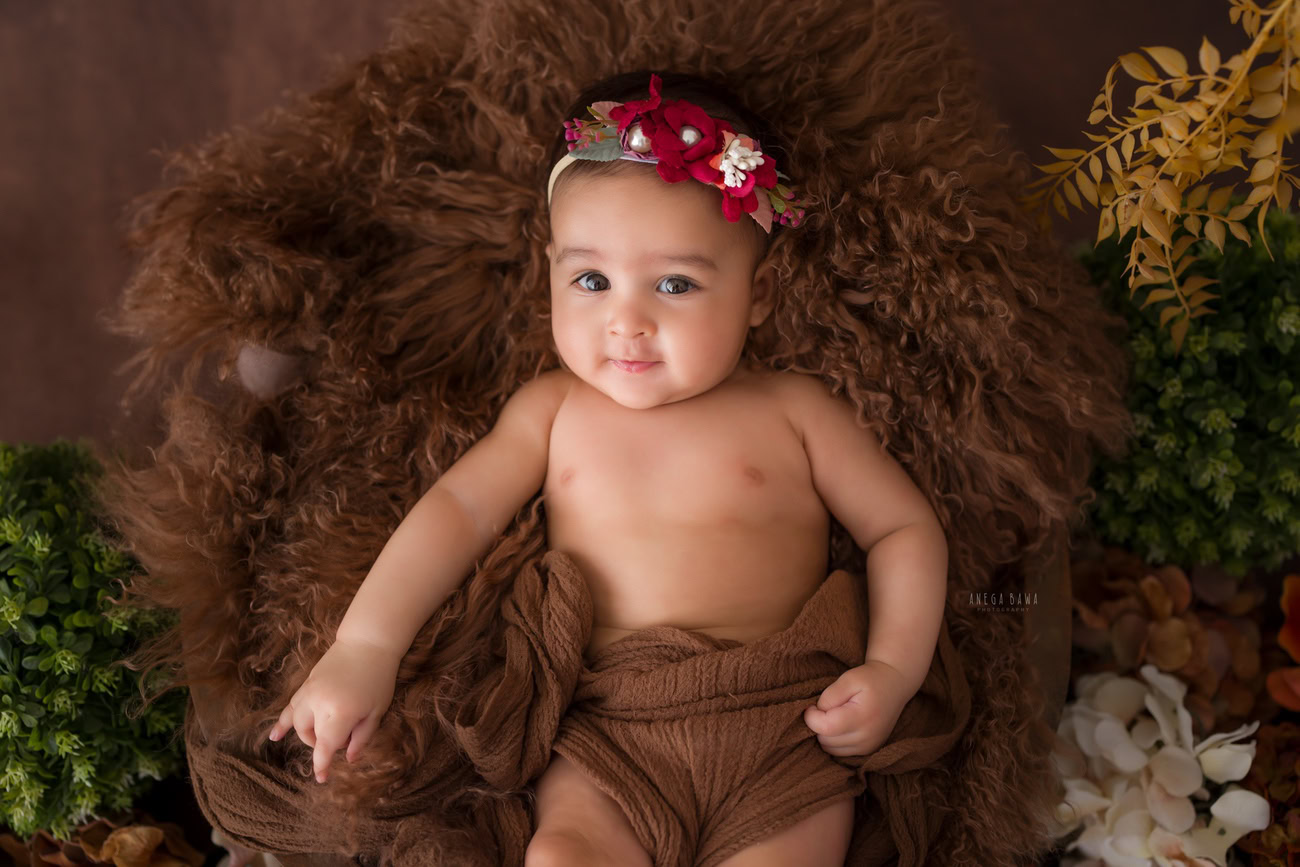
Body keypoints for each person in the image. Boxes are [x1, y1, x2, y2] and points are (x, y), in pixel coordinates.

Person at [266, 70, 948, 867]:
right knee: (563, 855)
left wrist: (894, 668)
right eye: (591, 280)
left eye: (675, 283)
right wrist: (365, 646)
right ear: (551, 269)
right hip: (610, 727)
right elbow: (456, 511)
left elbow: (902, 527)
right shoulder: (551, 412)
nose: (627, 320)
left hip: (781, 723)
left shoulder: (797, 412)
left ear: (759, 293)